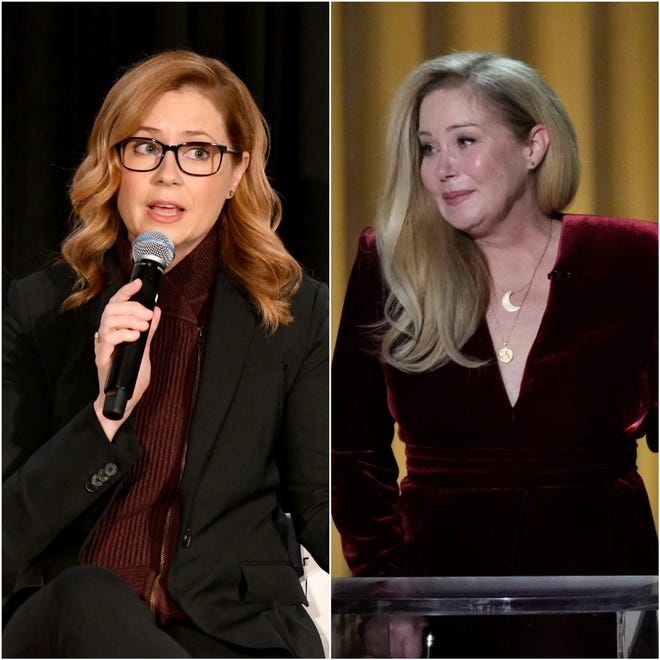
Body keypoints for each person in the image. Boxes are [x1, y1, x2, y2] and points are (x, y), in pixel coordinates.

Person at [3, 50, 328, 658]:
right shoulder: (40, 310)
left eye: (199, 152)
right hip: (67, 627)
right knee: (89, 596)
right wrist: (103, 416)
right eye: (146, 147)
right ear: (113, 164)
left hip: (232, 633)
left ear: (237, 173)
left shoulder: (291, 314)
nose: (168, 174)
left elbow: (322, 501)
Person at [332, 51, 657, 658]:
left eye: (464, 141)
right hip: (440, 598)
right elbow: (349, 448)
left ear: (534, 146)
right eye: (428, 148)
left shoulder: (637, 259)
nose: (442, 169)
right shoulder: (391, 263)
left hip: (605, 600)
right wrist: (387, 590)